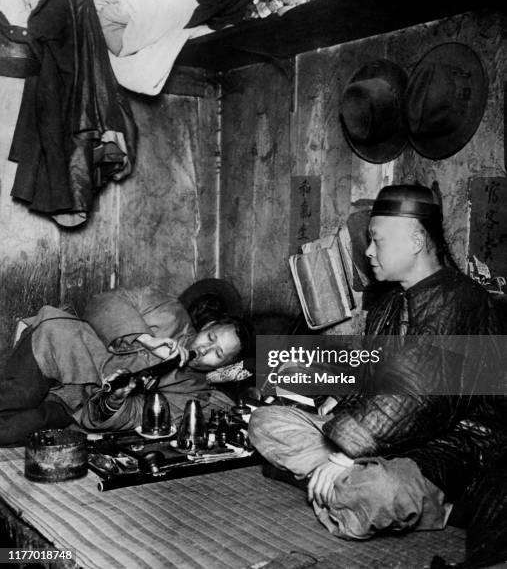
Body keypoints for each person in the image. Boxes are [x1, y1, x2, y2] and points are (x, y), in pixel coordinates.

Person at [249, 184, 507, 556]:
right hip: (383, 439)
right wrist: (334, 403)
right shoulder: (390, 303)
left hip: (451, 448)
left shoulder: (457, 298)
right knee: (265, 422)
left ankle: (401, 495)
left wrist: (343, 454)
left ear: (416, 239)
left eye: (376, 240)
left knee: (373, 491)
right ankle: (347, 483)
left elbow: (417, 396)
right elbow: (372, 376)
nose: (369, 251)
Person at [0, 283, 252, 445]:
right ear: (207, 327)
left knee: (10, 432)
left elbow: (131, 417)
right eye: (210, 338)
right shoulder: (168, 309)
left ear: (222, 366)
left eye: (217, 353)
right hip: (55, 350)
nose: (205, 349)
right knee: (13, 397)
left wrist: (114, 399)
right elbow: (102, 302)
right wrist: (145, 339)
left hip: (75, 403)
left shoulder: (191, 395)